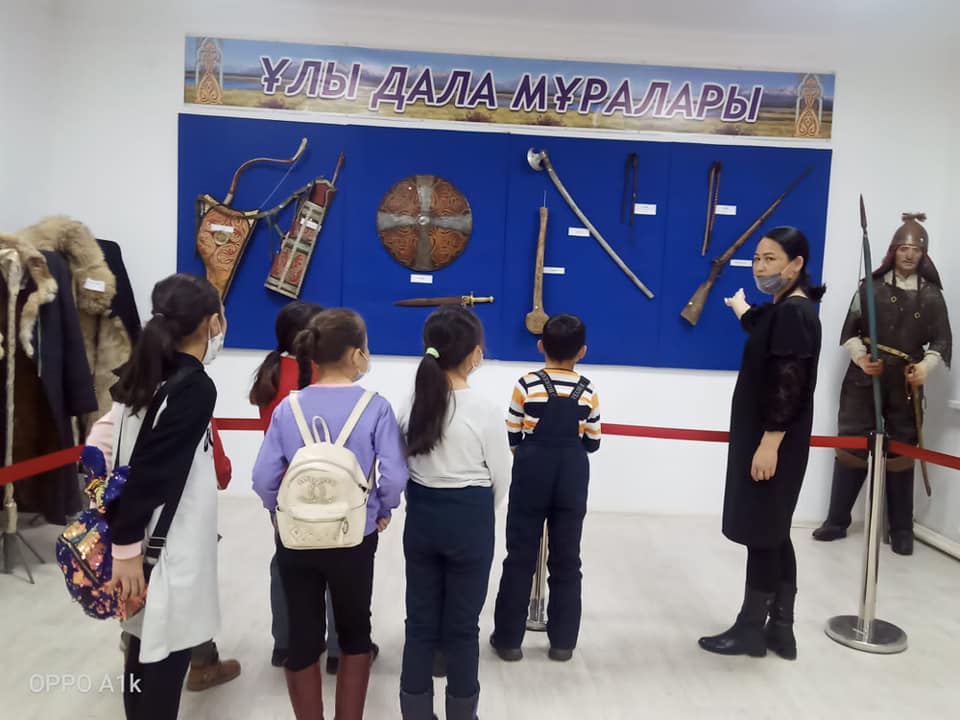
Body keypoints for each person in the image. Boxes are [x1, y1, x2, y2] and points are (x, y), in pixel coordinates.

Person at [252, 308, 407, 720]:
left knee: (303, 634)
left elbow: (263, 476)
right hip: (354, 532)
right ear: (357, 355)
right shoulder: (376, 407)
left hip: (296, 535)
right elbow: (394, 474)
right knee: (355, 630)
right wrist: (382, 508)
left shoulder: (288, 407)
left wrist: (276, 511)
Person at [103, 273, 227, 719]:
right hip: (164, 548)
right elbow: (151, 474)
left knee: (142, 651)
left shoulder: (146, 372)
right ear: (212, 323)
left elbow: (111, 450)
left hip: (146, 542)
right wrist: (126, 549)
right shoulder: (193, 387)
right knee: (161, 661)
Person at [699, 227, 824, 661]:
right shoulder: (786, 310)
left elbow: (790, 381)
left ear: (796, 264)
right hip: (772, 438)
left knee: (763, 534)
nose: (760, 267)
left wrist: (770, 442)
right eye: (756, 259)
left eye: (771, 259)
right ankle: (781, 630)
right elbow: (766, 332)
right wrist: (741, 310)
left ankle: (751, 629)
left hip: (774, 441)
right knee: (775, 531)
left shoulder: (794, 313)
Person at [813, 213, 952, 555]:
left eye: (915, 250)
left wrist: (924, 368)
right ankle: (836, 521)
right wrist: (863, 359)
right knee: (851, 446)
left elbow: (941, 341)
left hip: (905, 381)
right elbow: (849, 332)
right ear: (893, 251)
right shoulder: (869, 288)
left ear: (923, 254)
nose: (909, 255)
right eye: (903, 248)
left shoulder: (931, 296)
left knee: (902, 451)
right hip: (866, 377)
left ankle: (901, 529)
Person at [399, 306, 513, 720]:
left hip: (422, 518)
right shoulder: (484, 410)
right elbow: (501, 477)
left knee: (419, 625)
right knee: (463, 628)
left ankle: (415, 712)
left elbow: (402, 466)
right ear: (475, 354)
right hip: (470, 521)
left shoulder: (412, 403)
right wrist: (479, 513)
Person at [491, 313, 601, 663]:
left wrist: (530, 455)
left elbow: (513, 434)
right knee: (567, 559)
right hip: (572, 476)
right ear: (582, 351)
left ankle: (508, 640)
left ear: (540, 346)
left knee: (519, 556)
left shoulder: (526, 384)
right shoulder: (588, 391)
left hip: (531, 473)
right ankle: (563, 642)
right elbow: (593, 442)